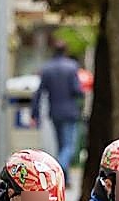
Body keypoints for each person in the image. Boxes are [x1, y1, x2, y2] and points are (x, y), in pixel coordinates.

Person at [30, 40, 84, 187]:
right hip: (70, 113)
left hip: (54, 113)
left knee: (61, 146)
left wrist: (34, 114)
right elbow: (77, 90)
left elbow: (39, 92)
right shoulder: (72, 67)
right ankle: (57, 170)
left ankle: (65, 180)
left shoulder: (47, 69)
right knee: (69, 147)